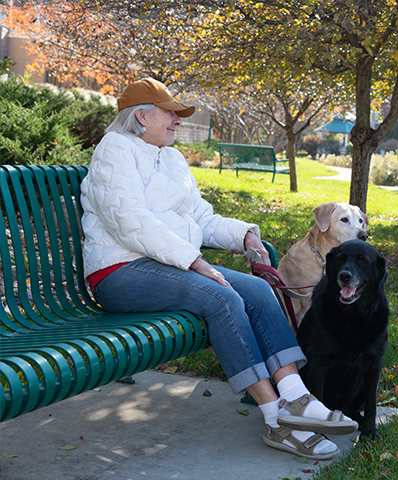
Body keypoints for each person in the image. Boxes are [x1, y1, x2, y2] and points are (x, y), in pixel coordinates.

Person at [80, 78, 357, 460]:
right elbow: (130, 222)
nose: (178, 121)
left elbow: (201, 218)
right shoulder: (114, 150)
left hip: (169, 266)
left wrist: (246, 236)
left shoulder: (172, 159)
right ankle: (275, 419)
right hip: (120, 271)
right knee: (222, 297)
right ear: (142, 116)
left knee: (260, 292)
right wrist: (194, 260)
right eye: (171, 113)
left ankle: (296, 397)